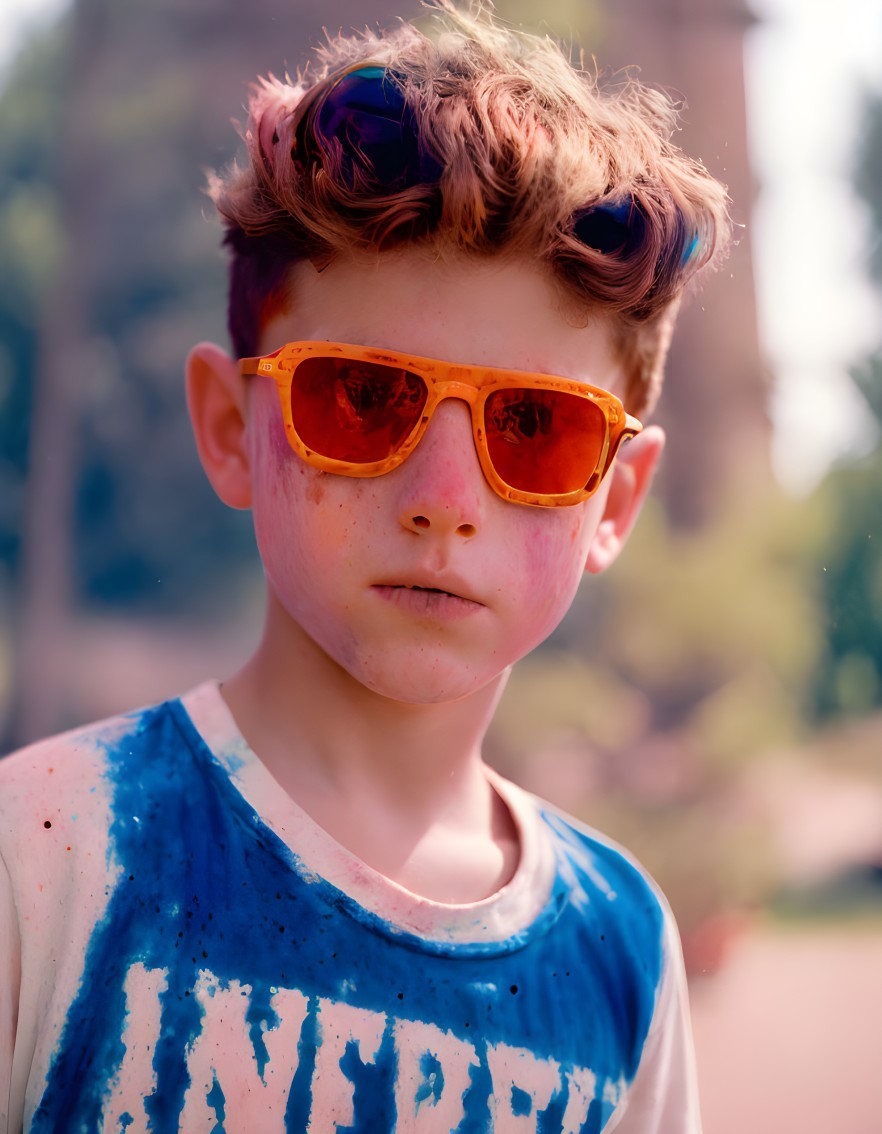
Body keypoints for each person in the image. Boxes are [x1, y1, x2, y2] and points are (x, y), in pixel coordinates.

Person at [0, 3, 731, 1130]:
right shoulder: (41, 857)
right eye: (363, 399)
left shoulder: (623, 950)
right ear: (233, 427)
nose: (444, 503)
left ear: (615, 498)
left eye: (534, 428)